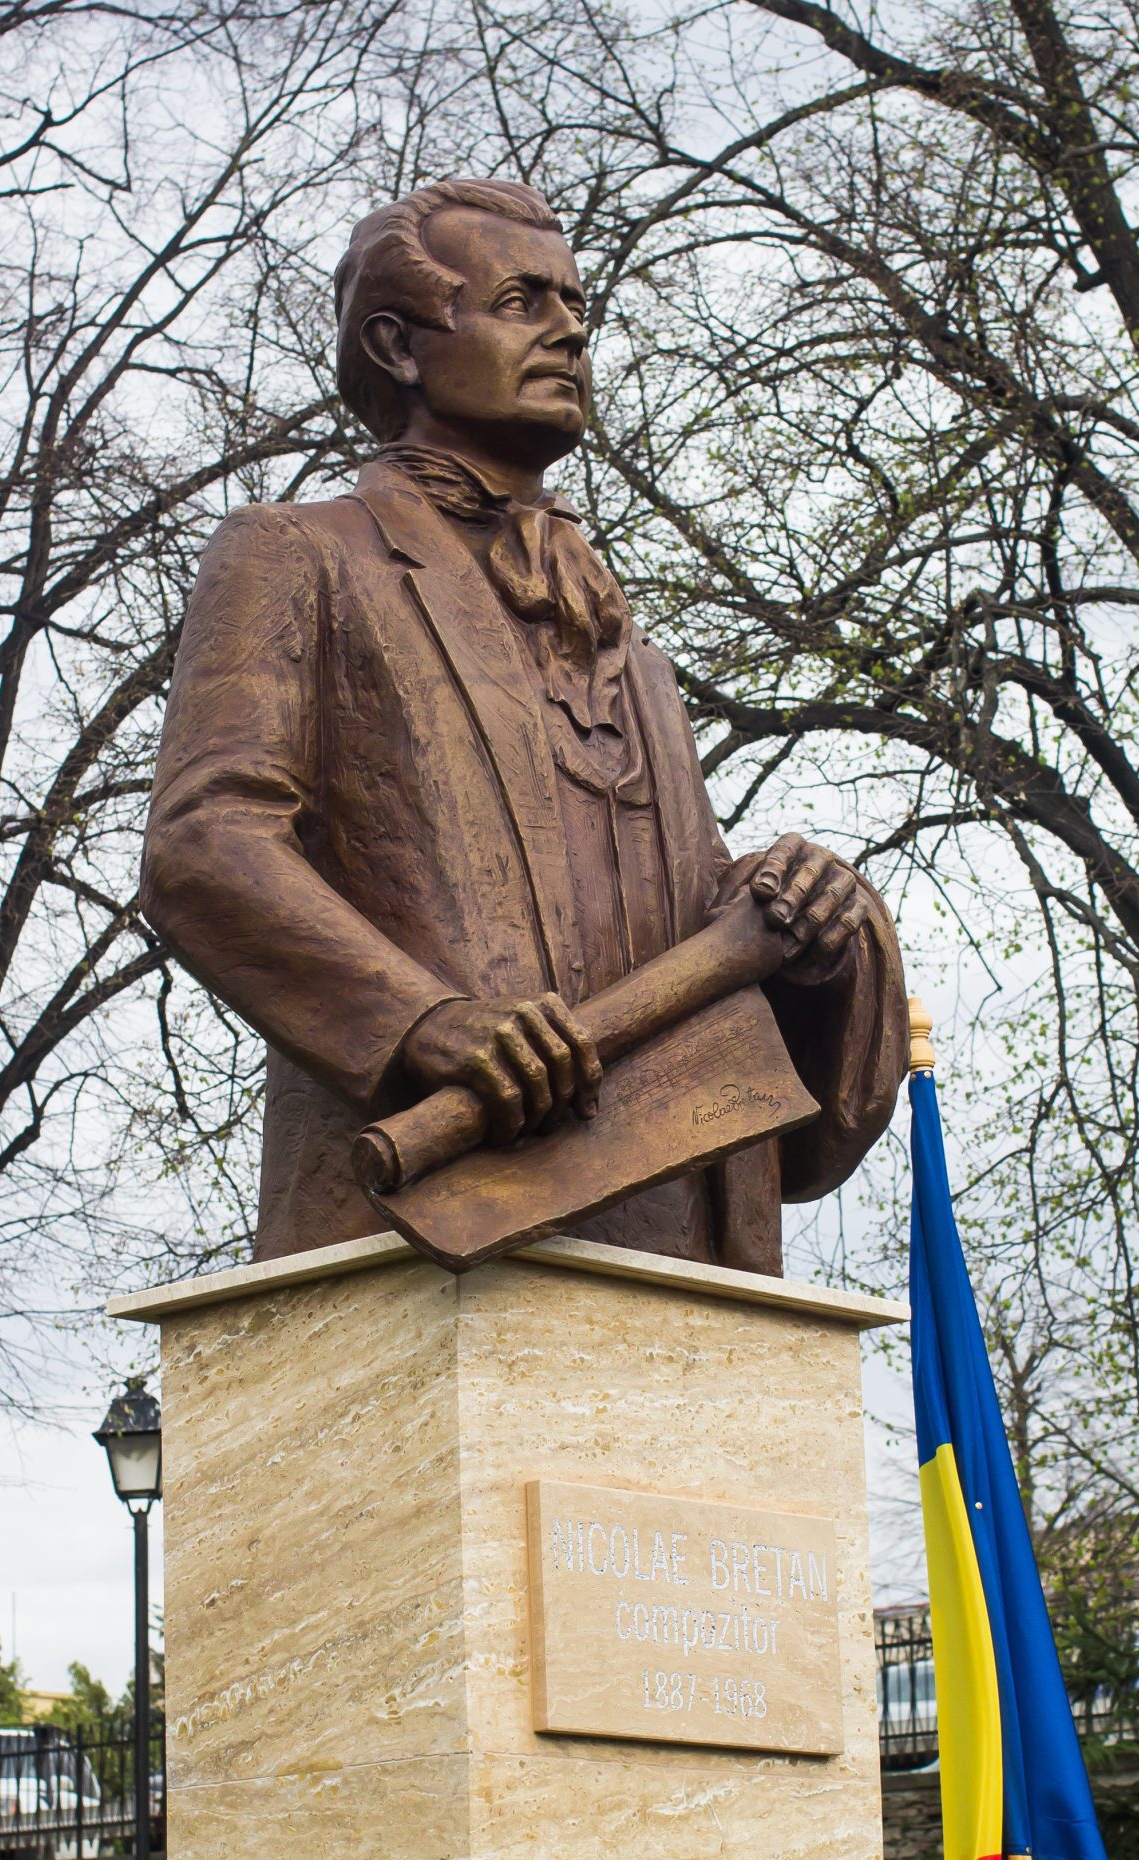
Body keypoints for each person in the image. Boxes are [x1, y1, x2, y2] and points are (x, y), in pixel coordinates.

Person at [143, 176, 907, 1270]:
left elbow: (690, 926)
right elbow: (204, 847)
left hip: (680, 1228)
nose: (568, 333)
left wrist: (807, 925)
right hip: (435, 1217)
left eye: (575, 310)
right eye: (520, 301)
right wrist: (422, 1022)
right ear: (398, 345)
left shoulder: (630, 654)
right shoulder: (296, 554)